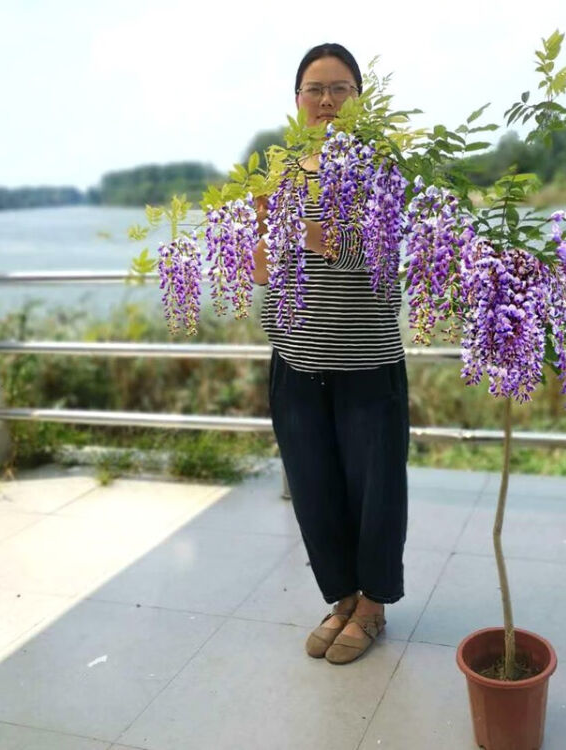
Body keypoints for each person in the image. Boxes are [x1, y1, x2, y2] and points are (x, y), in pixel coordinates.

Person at [250, 42, 409, 665]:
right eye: (315, 88)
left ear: (359, 100)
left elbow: (386, 257)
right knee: (313, 487)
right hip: (295, 359)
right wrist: (260, 254)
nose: (326, 100)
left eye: (340, 88)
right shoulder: (278, 170)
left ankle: (373, 607)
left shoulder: (382, 167)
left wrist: (310, 236)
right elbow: (261, 265)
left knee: (375, 491)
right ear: (296, 100)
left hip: (366, 359)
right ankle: (341, 596)